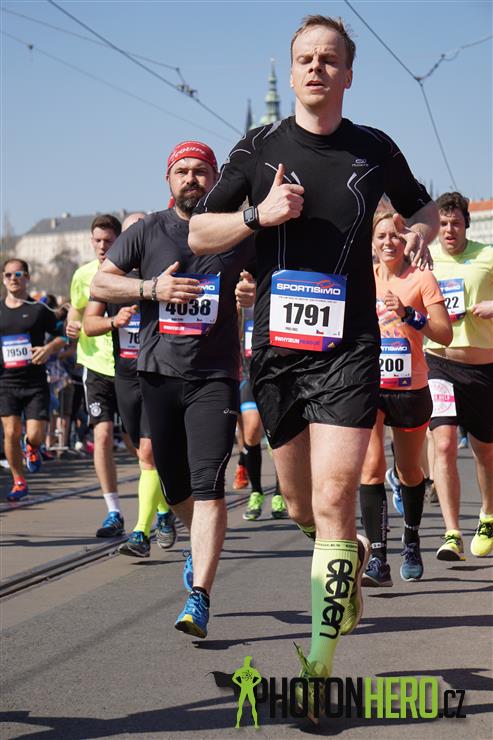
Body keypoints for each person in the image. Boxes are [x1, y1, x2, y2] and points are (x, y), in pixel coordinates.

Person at [188, 14, 437, 715]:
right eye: (306, 58)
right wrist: (257, 216)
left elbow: (421, 208)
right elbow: (198, 231)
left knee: (333, 499)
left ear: (348, 73)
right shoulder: (258, 146)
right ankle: (340, 556)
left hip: (349, 346)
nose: (316, 68)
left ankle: (318, 666)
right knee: (300, 504)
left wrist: (420, 234)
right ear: (293, 70)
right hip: (276, 351)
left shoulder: (372, 147)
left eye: (330, 59)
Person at [91, 140, 256, 639]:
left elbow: (269, 282)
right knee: (174, 485)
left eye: (201, 171)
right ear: (168, 179)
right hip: (158, 375)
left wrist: (253, 293)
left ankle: (199, 595)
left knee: (208, 484)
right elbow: (101, 285)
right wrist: (151, 289)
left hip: (214, 377)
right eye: (182, 171)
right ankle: (194, 545)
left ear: (216, 178)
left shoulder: (237, 231)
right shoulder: (147, 231)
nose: (191, 179)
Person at [359, 211, 451, 586]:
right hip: (369, 384)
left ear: (407, 241)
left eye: (396, 236)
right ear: (372, 242)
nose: (388, 242)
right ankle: (378, 558)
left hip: (410, 387)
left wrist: (409, 314)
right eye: (381, 236)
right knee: (370, 468)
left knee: (409, 471)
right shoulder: (362, 278)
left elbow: (443, 333)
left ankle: (411, 539)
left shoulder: (421, 278)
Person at [83, 212, 176, 557]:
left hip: (156, 373)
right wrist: (113, 321)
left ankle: (140, 533)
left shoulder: (165, 271)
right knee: (142, 454)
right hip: (124, 377)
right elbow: (89, 324)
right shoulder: (110, 280)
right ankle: (163, 511)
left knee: (149, 453)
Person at [425, 192, 493, 561]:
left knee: (485, 451)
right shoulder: (426, 260)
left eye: (455, 223)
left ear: (466, 223)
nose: (449, 230)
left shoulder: (487, 255)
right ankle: (452, 533)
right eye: (443, 224)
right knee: (444, 444)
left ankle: (488, 516)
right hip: (439, 363)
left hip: (483, 368)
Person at [66, 214, 125, 538]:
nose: (102, 246)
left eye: (108, 241)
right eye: (98, 241)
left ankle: (162, 503)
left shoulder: (130, 272)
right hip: (95, 365)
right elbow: (76, 309)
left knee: (138, 444)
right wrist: (71, 324)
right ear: (91, 241)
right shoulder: (83, 274)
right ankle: (113, 511)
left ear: (119, 241)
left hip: (128, 366)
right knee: (101, 435)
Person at [0, 259, 66, 500]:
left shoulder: (39, 310)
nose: (13, 279)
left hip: (35, 382)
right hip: (6, 382)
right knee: (10, 433)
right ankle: (19, 480)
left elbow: (63, 337)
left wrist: (49, 348)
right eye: (8, 275)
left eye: (18, 274)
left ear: (27, 278)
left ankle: (33, 446)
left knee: (35, 434)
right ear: (3, 278)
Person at [239, 307, 288, 520]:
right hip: (249, 376)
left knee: (277, 437)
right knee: (251, 432)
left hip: (278, 376)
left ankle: (280, 493)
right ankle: (256, 493)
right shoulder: (242, 304)